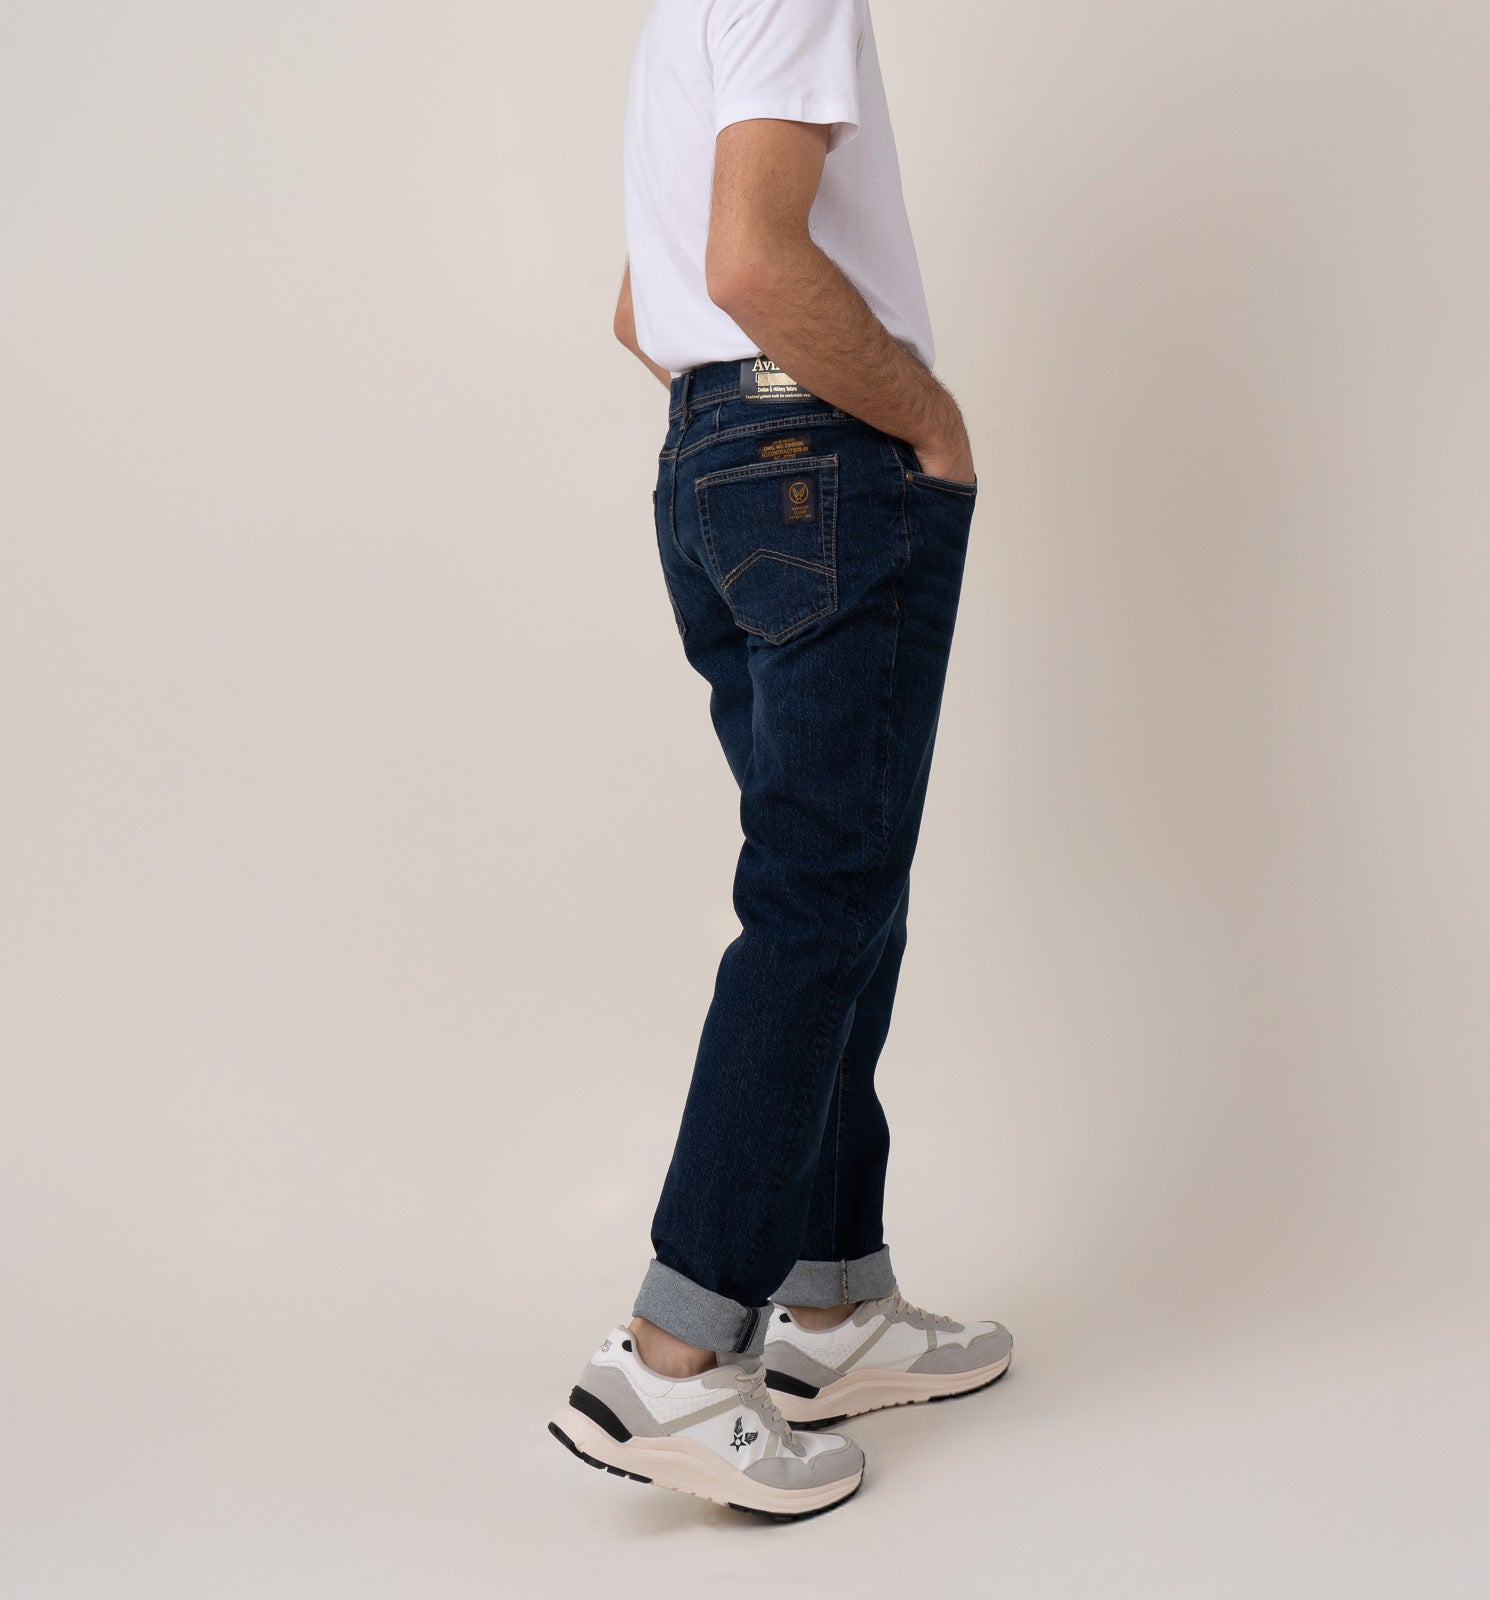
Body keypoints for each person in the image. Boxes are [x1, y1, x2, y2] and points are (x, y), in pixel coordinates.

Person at [547, 0, 1010, 1520]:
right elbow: (750, 261)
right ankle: (676, 1357)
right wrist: (930, 420)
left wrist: (741, 437)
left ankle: (835, 1296)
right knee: (822, 895)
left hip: (715, 463)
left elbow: (652, 303)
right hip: (822, 461)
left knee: (840, 883)